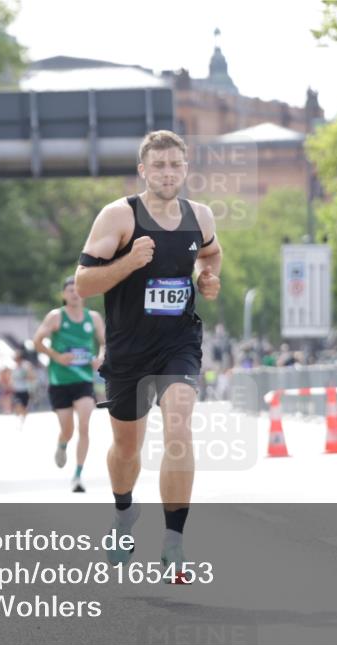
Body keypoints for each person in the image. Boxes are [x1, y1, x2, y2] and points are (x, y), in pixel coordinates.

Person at [74, 130, 222, 582]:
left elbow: (211, 256)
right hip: (129, 349)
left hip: (179, 343)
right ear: (143, 170)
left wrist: (208, 280)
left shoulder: (200, 216)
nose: (166, 173)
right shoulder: (119, 216)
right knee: (126, 449)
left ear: (185, 168)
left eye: (175, 165)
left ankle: (174, 543)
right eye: (158, 166)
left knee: (178, 426)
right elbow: (83, 283)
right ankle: (124, 513)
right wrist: (129, 263)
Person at [32, 275, 106, 493]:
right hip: (60, 381)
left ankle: (78, 475)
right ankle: (62, 444)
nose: (74, 293)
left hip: (83, 380)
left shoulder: (93, 318)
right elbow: (37, 341)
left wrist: (99, 357)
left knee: (84, 424)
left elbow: (104, 343)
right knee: (68, 429)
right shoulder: (56, 317)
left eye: (78, 289)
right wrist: (56, 356)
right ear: (64, 295)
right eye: (70, 290)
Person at [10, 351, 35, 428]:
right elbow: (12, 378)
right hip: (17, 389)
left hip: (26, 389)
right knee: (18, 405)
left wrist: (26, 375)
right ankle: (20, 417)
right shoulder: (13, 366)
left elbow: (32, 377)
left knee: (24, 406)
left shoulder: (26, 365)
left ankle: (23, 419)